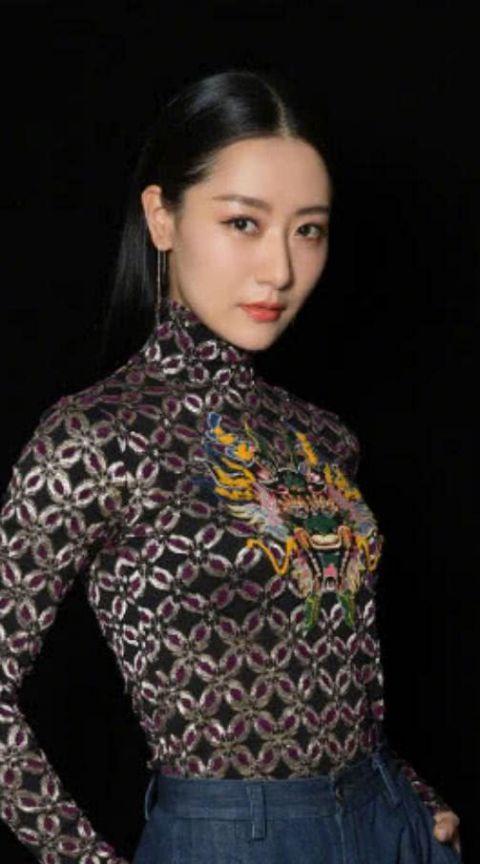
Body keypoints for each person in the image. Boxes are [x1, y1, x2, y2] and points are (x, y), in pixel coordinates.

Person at [0, 68, 462, 864]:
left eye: (308, 230)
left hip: (387, 821)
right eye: (244, 222)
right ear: (162, 217)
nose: (280, 269)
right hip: (232, 837)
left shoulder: (323, 437)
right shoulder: (95, 438)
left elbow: (333, 647)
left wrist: (414, 799)